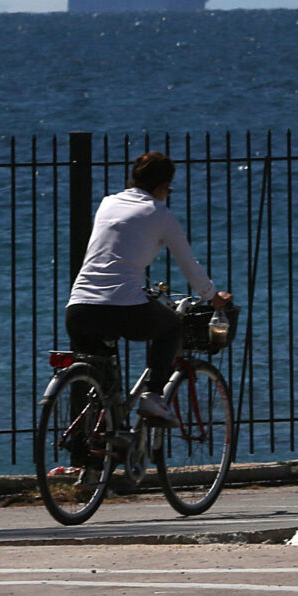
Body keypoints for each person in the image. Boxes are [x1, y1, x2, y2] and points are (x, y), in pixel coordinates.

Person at [66, 151, 232, 423]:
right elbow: (189, 264)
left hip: (78, 308)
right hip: (120, 307)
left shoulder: (108, 203)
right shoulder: (160, 214)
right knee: (171, 327)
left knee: (104, 384)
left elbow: (114, 251)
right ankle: (153, 397)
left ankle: (95, 449)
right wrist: (212, 297)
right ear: (163, 186)